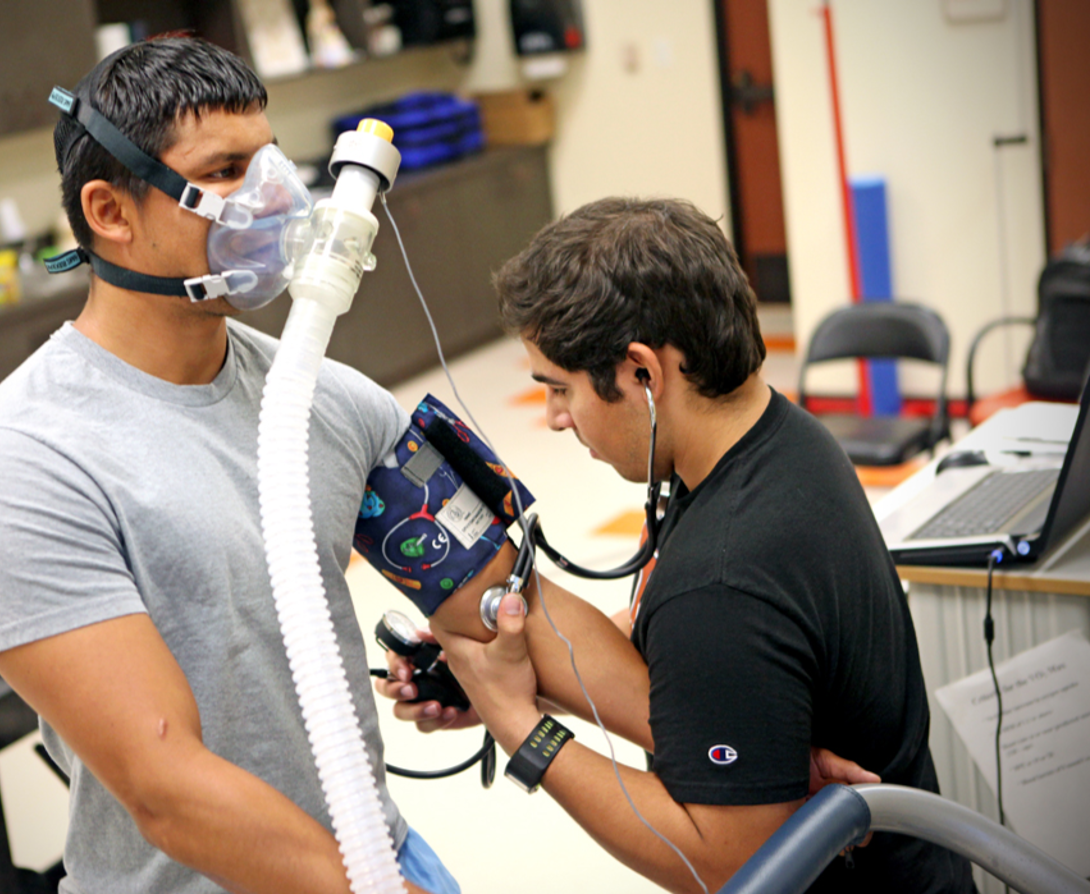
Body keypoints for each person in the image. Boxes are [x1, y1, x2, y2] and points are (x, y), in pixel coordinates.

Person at [0, 36, 455, 894]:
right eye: (226, 169)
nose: (279, 195)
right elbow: (167, 786)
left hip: (378, 854)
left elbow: (495, 599)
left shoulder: (330, 398)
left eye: (273, 158)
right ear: (110, 212)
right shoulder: (23, 463)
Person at [377, 197, 977, 893]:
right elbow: (679, 658)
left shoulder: (722, 582)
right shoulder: (781, 442)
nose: (554, 419)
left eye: (560, 389)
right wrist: (516, 681)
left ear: (642, 374)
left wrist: (521, 727)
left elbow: (726, 866)